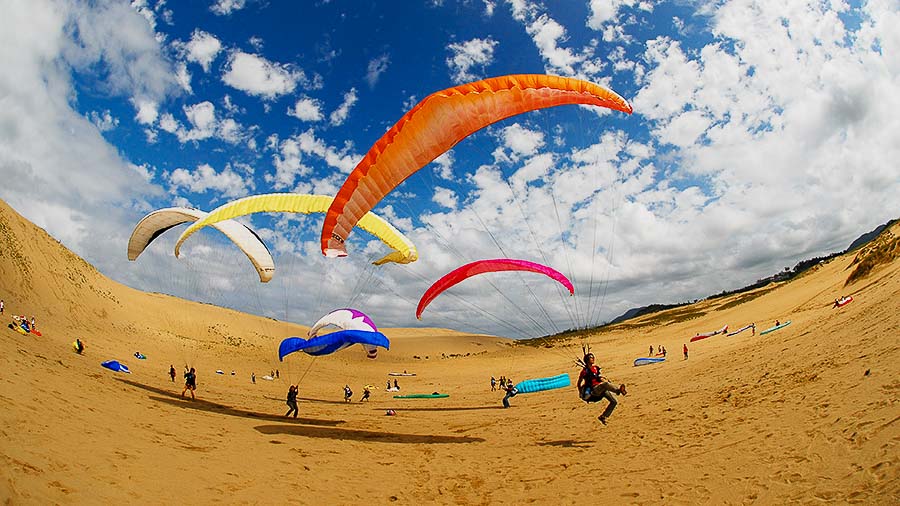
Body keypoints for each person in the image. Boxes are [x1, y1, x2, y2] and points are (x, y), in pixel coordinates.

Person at [577, 353, 626, 425]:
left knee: (614, 402)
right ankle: (618, 390)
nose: (593, 359)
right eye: (591, 358)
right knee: (605, 385)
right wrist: (581, 392)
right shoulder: (584, 372)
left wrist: (605, 381)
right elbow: (579, 383)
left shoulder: (595, 368)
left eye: (593, 357)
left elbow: (599, 377)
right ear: (587, 360)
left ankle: (603, 416)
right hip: (593, 390)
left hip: (601, 389)